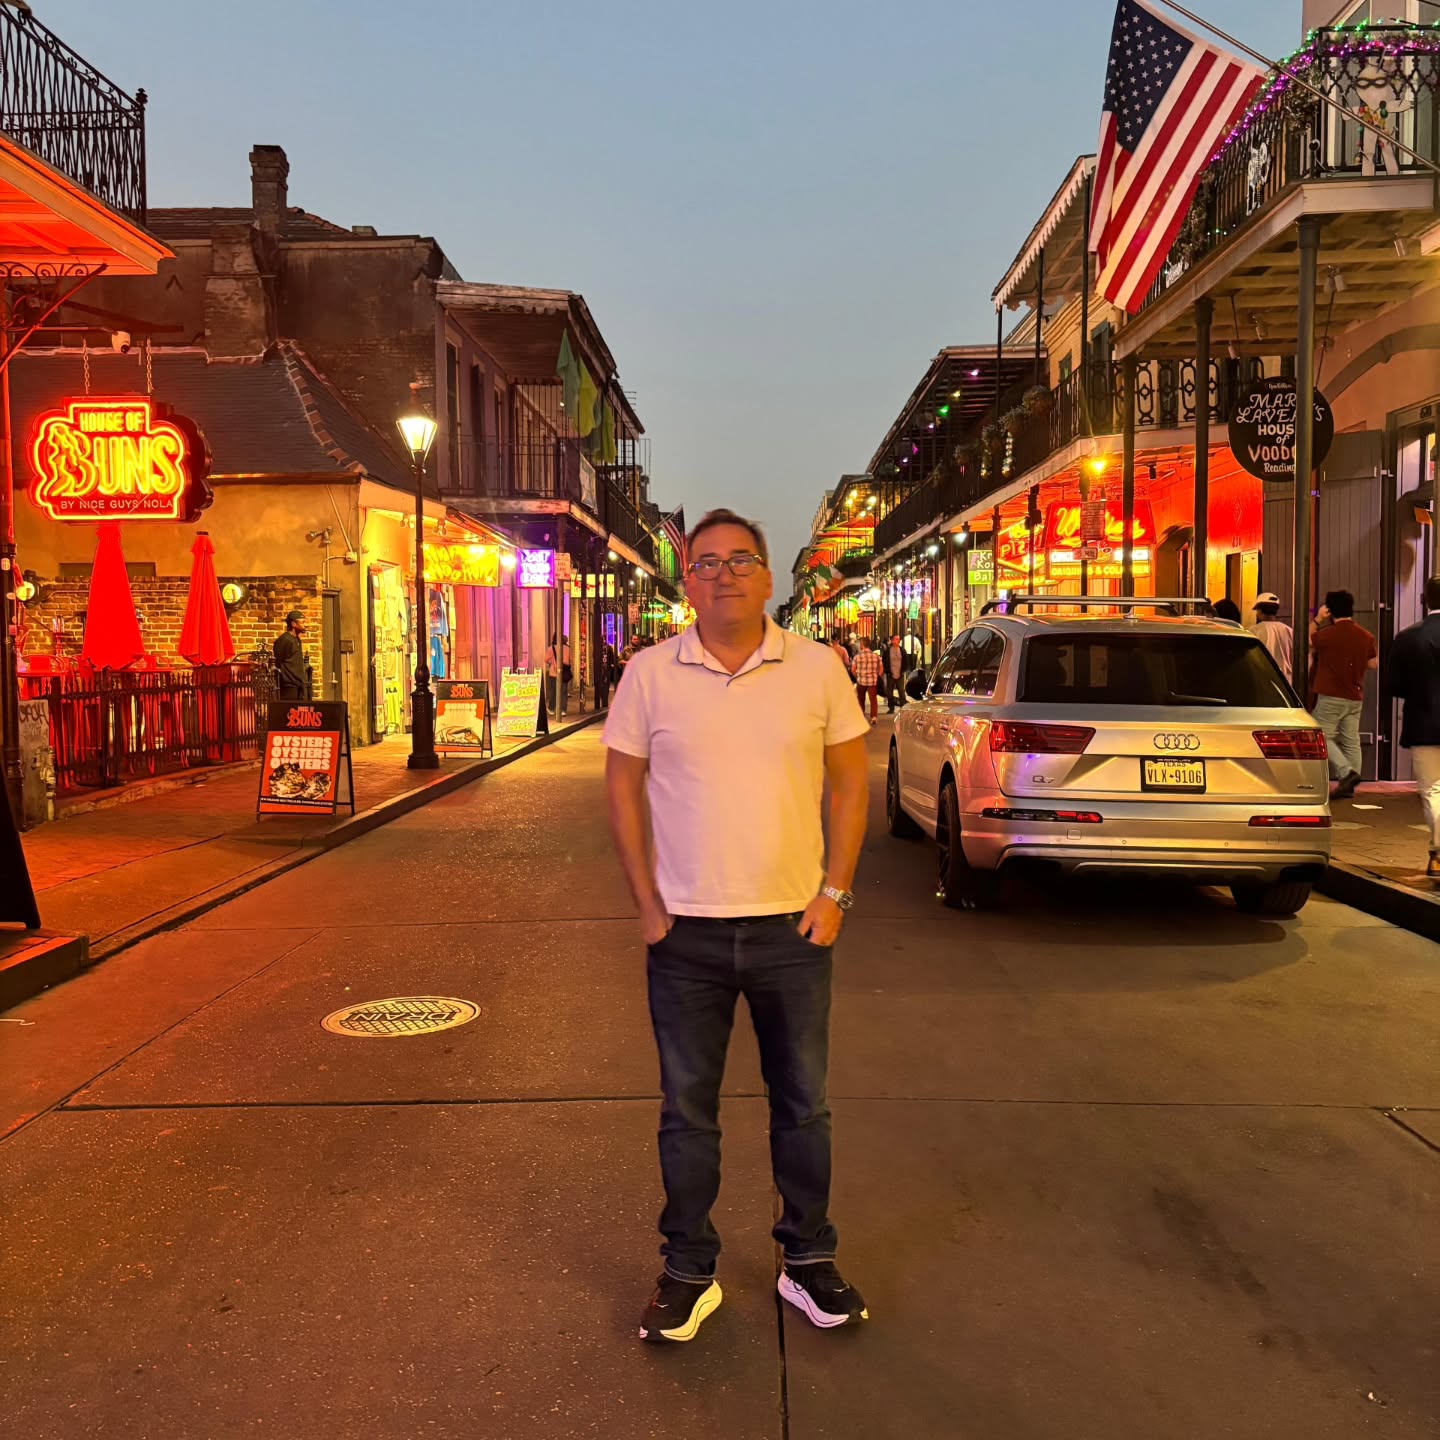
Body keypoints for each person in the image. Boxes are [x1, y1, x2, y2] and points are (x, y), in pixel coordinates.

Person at [604, 507, 871, 1344]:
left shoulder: (817, 668)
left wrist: (835, 894)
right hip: (685, 936)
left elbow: (850, 784)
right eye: (707, 562)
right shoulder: (650, 673)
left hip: (793, 931)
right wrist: (647, 903)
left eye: (741, 559)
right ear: (688, 582)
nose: (724, 574)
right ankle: (689, 1269)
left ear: (768, 575)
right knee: (687, 1112)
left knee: (804, 1106)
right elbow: (622, 787)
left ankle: (808, 1258)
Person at [1387, 576, 1440, 878]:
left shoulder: (1408, 638)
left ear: (1426, 599)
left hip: (1424, 722)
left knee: (1433, 789)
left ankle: (1439, 851)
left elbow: (1395, 686)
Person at [1310, 589, 1377, 800]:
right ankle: (1349, 784)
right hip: (1355, 695)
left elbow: (1308, 640)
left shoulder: (1327, 635)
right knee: (1351, 740)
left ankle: (1346, 772)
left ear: (1330, 611)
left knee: (1320, 734)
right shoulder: (1365, 636)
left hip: (1331, 694)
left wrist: (1317, 619)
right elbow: (1373, 664)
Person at [1250, 592, 1294, 683]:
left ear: (1260, 610)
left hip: (1263, 679)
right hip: (1286, 681)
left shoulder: (1254, 631)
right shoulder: (1288, 630)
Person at [273, 610, 310, 701]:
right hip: (289, 686)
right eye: (302, 622)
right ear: (293, 624)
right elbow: (278, 660)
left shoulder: (297, 639)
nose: (305, 625)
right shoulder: (285, 640)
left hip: (299, 685)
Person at [851, 636, 882, 726]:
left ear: (862, 645)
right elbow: (881, 668)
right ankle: (873, 717)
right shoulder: (876, 656)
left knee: (861, 699)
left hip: (861, 680)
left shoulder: (857, 657)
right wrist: (877, 676)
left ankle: (861, 716)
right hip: (872, 681)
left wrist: (857, 676)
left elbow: (853, 669)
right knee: (873, 699)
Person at [885, 634, 907, 712]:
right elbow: (885, 661)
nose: (898, 641)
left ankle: (903, 706)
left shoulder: (902, 650)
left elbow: (905, 661)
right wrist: (887, 671)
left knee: (901, 690)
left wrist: (903, 671)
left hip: (900, 674)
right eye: (896, 639)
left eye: (899, 639)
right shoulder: (888, 651)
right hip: (890, 674)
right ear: (892, 641)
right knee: (890, 692)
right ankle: (891, 707)